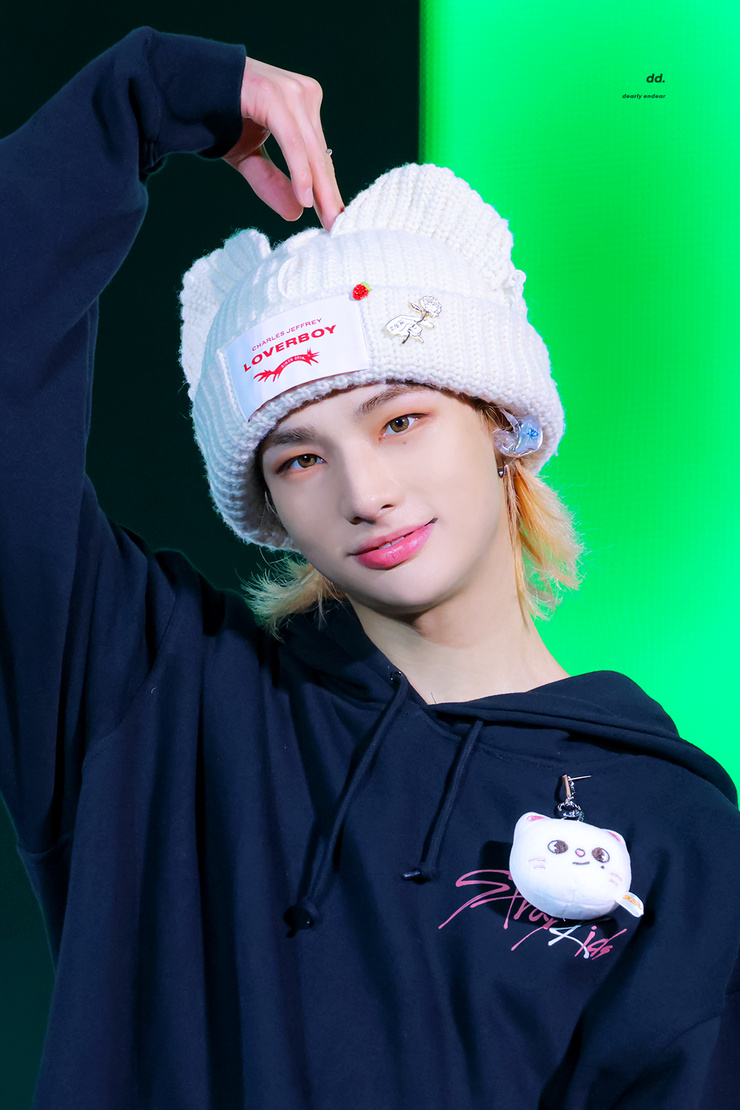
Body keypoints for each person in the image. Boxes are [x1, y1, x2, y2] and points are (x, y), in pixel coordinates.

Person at [1, 25, 738, 1110]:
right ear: (268, 504)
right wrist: (143, 95)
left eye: (400, 420)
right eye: (300, 457)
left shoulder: (674, 832)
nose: (364, 490)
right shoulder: (147, 700)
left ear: (499, 422)